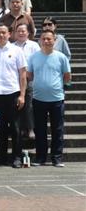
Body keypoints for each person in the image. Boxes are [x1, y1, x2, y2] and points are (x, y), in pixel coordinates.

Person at [0, 23, 28, 168]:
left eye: (4, 32)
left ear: (9, 34)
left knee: (16, 128)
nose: (1, 35)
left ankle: (17, 157)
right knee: (0, 128)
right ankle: (1, 157)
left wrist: (22, 95)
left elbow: (23, 75)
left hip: (13, 94)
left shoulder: (17, 51)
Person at [28, 30, 71, 167]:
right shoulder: (33, 57)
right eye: (44, 39)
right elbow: (29, 75)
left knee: (57, 130)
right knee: (40, 130)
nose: (46, 41)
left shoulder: (61, 57)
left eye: (49, 39)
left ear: (54, 40)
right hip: (38, 99)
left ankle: (57, 158)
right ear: (40, 40)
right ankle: (40, 158)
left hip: (57, 99)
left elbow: (67, 76)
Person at [14, 23, 41, 140]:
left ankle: (30, 128)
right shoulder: (11, 46)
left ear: (28, 33)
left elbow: (38, 61)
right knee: (17, 104)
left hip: (30, 79)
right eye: (18, 31)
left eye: (23, 31)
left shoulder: (34, 46)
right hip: (15, 80)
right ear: (15, 33)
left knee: (29, 104)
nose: (21, 33)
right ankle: (19, 129)